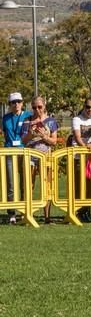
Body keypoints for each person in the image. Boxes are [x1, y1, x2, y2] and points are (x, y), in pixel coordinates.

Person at [20, 96, 58, 223]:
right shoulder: (27, 121)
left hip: (45, 155)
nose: (37, 110)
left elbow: (54, 141)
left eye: (40, 107)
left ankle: (47, 216)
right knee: (29, 185)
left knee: (47, 186)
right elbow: (23, 141)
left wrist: (44, 136)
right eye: (34, 107)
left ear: (44, 106)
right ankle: (27, 214)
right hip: (30, 155)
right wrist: (31, 133)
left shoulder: (51, 121)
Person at [71, 98, 91, 222]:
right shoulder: (77, 119)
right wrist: (86, 148)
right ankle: (78, 211)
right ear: (84, 106)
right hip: (79, 156)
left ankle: (86, 211)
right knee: (79, 185)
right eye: (88, 107)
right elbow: (78, 137)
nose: (90, 110)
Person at [2, 92, 31, 224]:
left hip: (24, 151)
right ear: (10, 104)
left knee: (25, 182)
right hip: (9, 151)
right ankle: (11, 213)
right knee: (10, 183)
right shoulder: (5, 117)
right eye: (13, 102)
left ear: (22, 103)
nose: (16, 104)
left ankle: (25, 211)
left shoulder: (28, 115)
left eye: (19, 101)